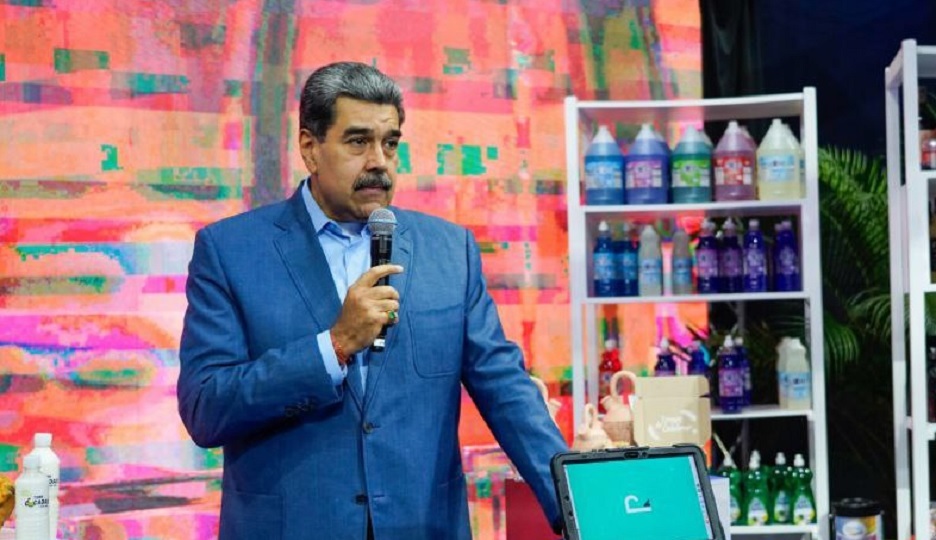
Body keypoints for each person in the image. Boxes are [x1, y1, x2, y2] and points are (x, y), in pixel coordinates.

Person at [177, 61, 569, 540]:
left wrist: (580, 508)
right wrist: (334, 346)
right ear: (310, 148)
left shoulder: (450, 251)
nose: (379, 162)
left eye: (390, 143)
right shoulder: (232, 251)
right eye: (358, 142)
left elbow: (506, 388)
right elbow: (206, 407)